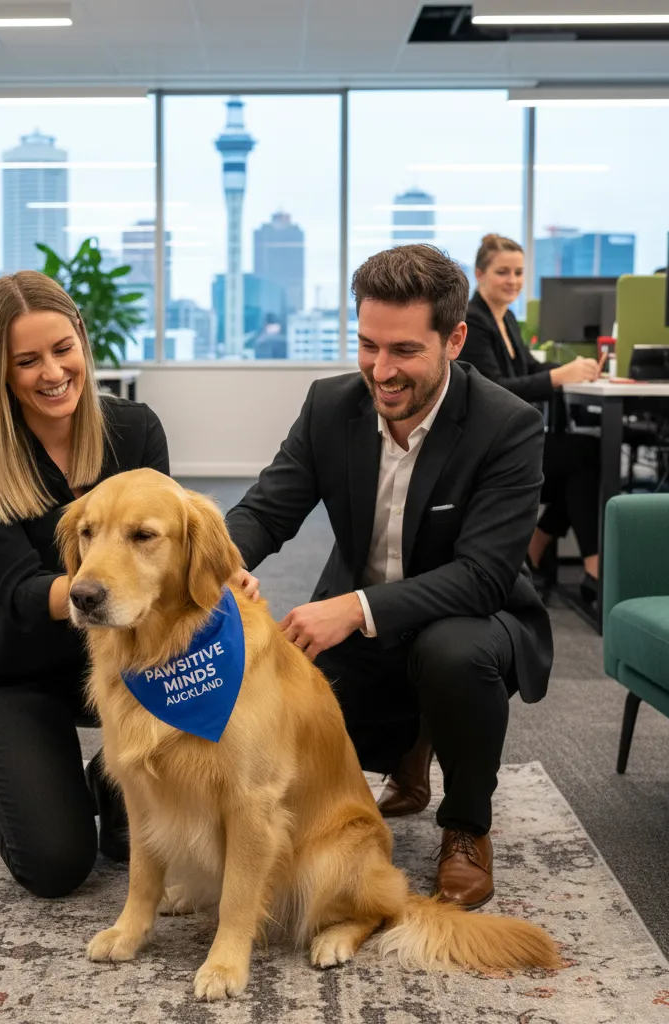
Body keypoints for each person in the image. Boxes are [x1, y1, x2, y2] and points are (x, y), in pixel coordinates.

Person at [225, 244, 552, 911]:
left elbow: (484, 577)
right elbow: (267, 509)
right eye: (368, 345)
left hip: (472, 619)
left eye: (404, 350)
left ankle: (465, 826)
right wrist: (220, 565)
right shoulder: (330, 407)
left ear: (455, 339)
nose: (382, 369)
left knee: (450, 654)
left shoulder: (507, 427)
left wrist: (354, 608)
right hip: (364, 627)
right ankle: (410, 743)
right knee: (287, 743)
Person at [0, 270, 170, 898]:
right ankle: (8, 771)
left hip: (128, 666)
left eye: (62, 349)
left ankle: (103, 775)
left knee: (137, 844)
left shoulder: (135, 431)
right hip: (15, 672)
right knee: (57, 867)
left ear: (82, 345)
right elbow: (18, 590)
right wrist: (98, 585)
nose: (52, 372)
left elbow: (164, 558)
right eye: (27, 360)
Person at [461, 234, 602, 597]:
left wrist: (574, 368)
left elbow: (528, 367)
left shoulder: (505, 319)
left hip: (514, 437)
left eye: (519, 272)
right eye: (502, 272)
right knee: (586, 457)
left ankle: (577, 563)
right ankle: (577, 561)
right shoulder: (473, 322)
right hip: (488, 446)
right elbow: (494, 388)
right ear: (480, 274)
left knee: (584, 463)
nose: (512, 280)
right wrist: (558, 377)